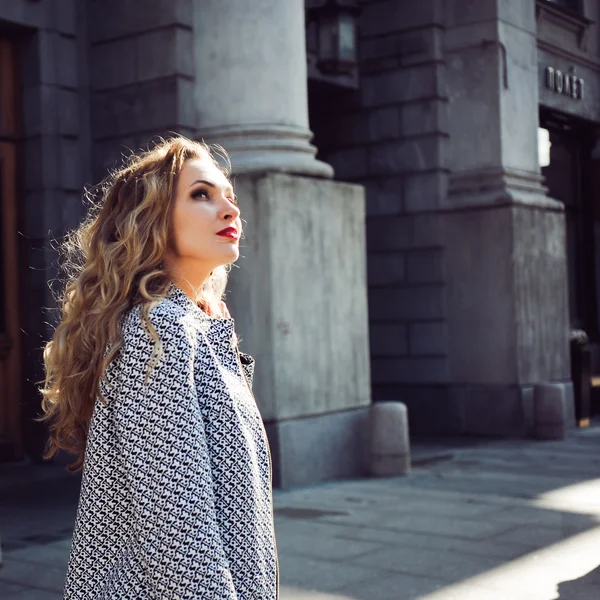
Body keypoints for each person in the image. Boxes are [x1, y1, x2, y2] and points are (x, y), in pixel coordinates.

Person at [40, 136, 279, 599]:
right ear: (152, 219)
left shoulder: (195, 324)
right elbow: (180, 533)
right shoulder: (158, 331)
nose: (230, 210)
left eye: (229, 195)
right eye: (201, 195)